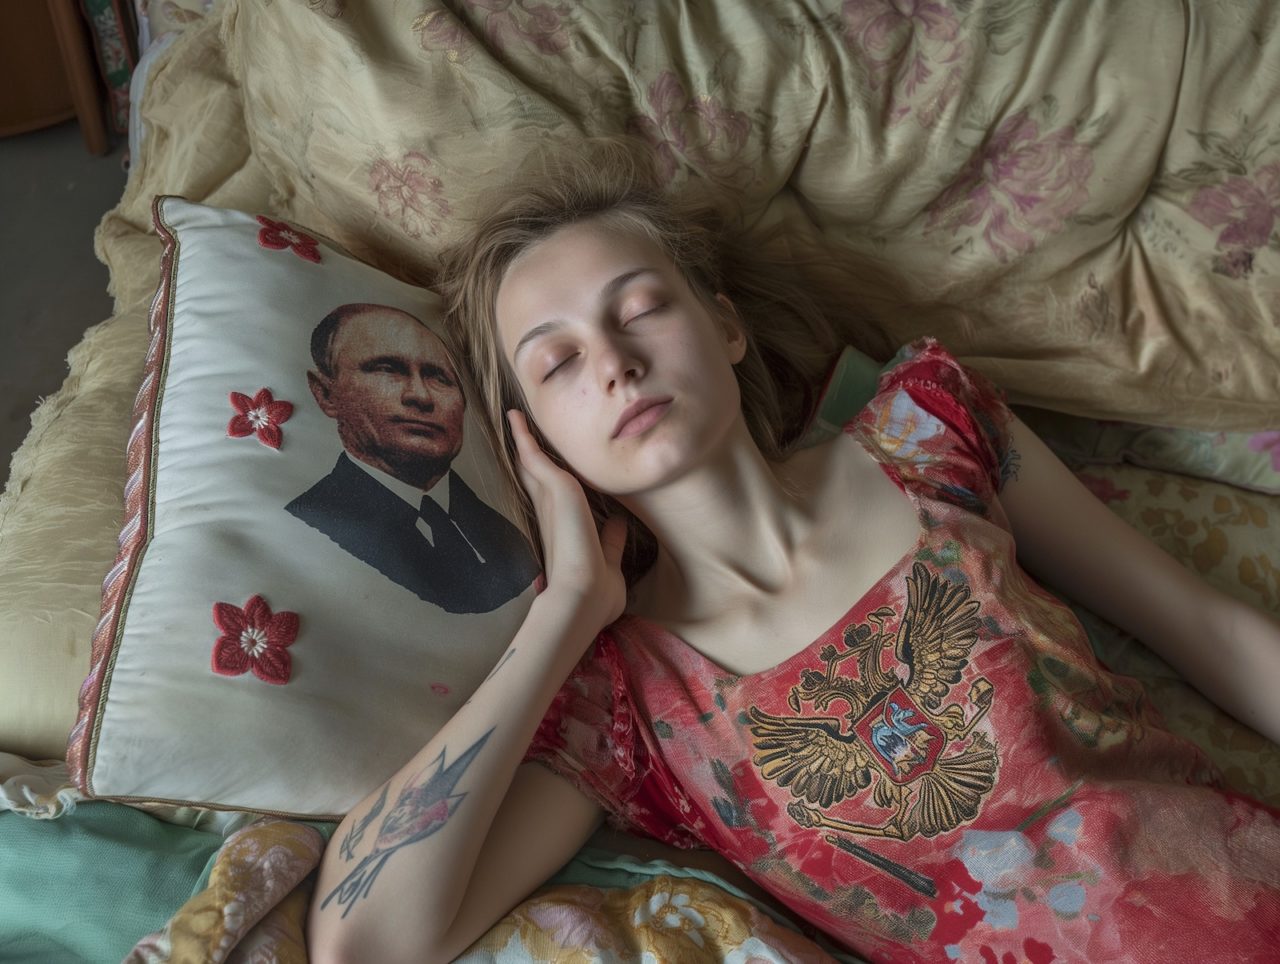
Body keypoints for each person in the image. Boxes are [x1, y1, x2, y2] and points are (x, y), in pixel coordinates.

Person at [306, 145, 1280, 963]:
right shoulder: (628, 706)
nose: (614, 362)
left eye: (638, 309)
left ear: (724, 325)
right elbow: (365, 943)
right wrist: (563, 612)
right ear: (537, 441)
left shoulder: (930, 429)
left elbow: (1207, 631)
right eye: (558, 362)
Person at [286, 302, 538, 614]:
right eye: (387, 369)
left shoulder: (509, 526)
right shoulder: (309, 526)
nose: (420, 396)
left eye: (439, 377)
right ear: (326, 394)